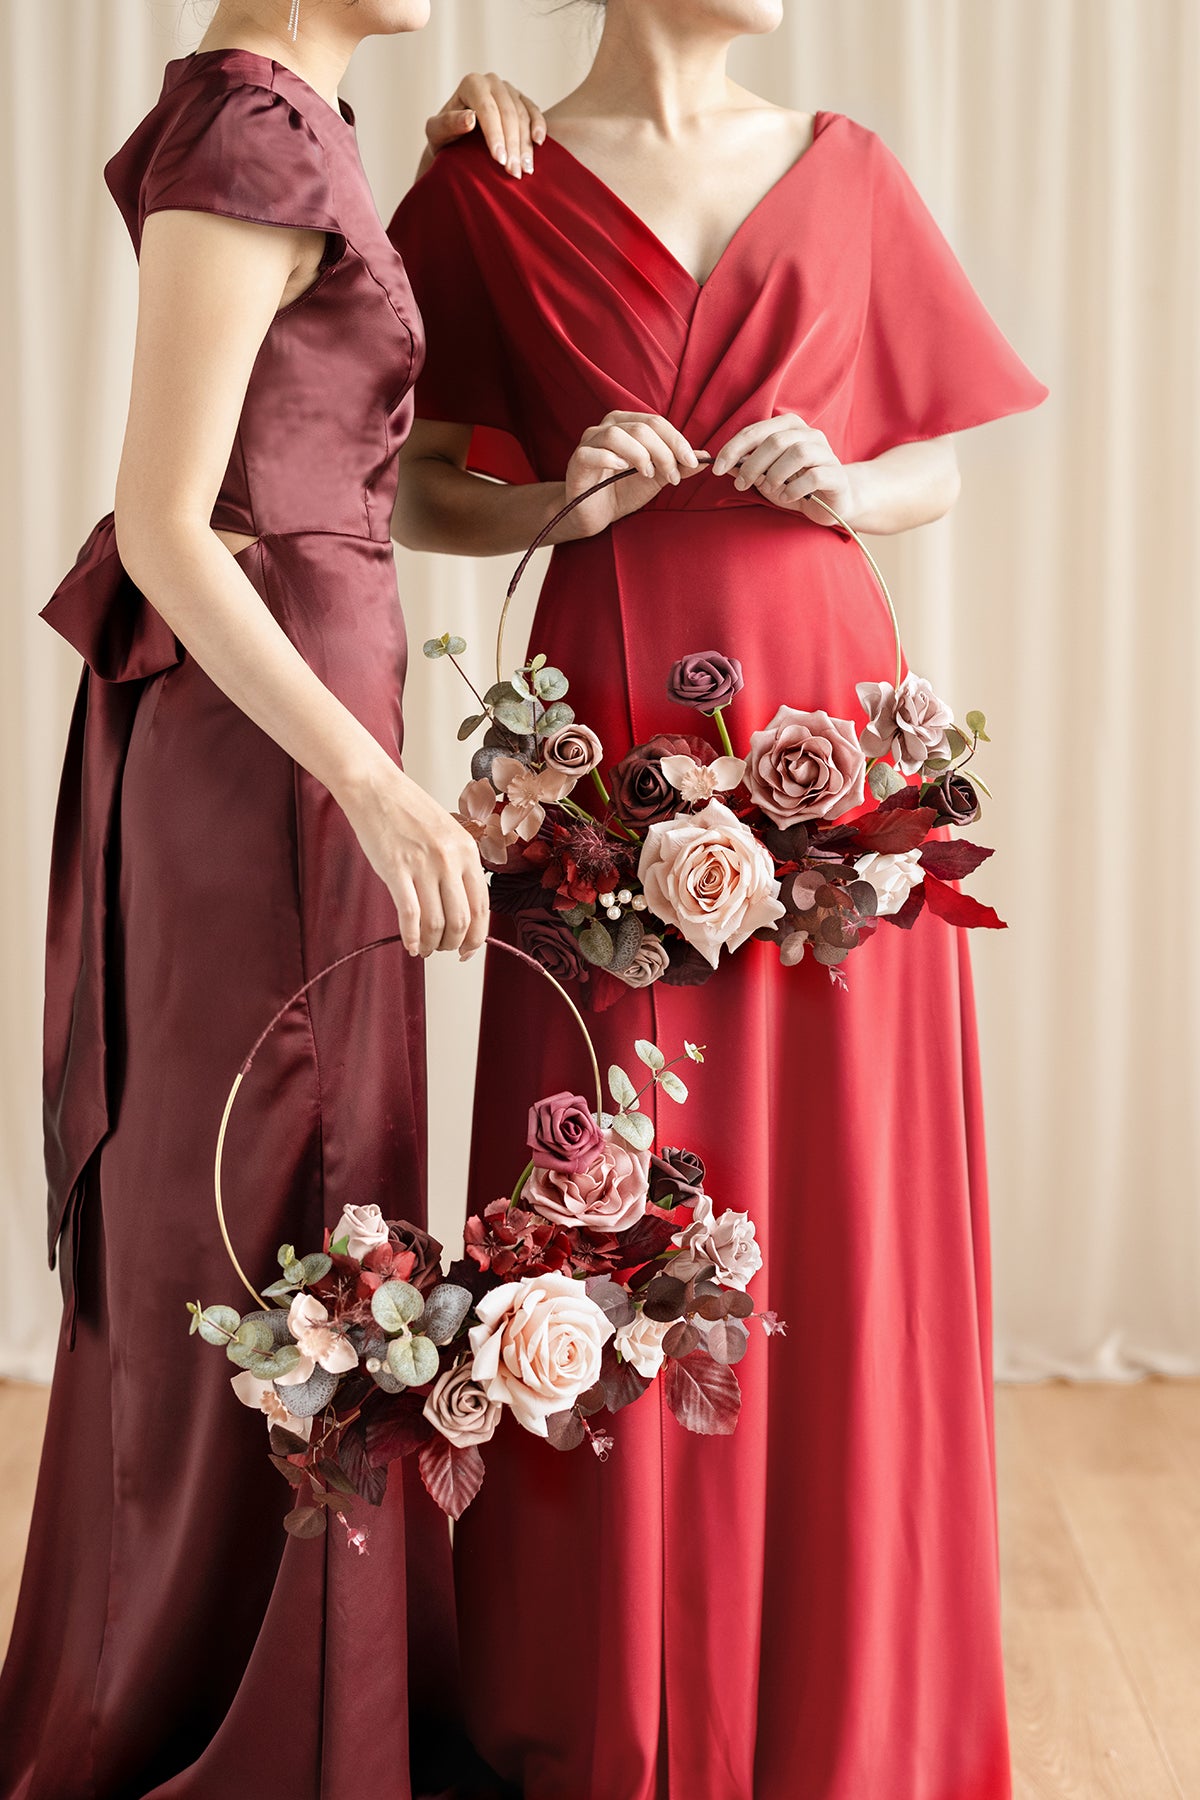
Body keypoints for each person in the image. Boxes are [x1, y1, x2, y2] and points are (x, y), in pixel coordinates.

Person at [389, 2, 1048, 1795]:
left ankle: (849, 1701)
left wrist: (854, 483)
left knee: (837, 1198)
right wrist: (563, 507)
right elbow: (412, 486)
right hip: (604, 744)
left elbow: (944, 460)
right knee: (610, 1199)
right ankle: (602, 1699)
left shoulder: (843, 169)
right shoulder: (490, 177)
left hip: (829, 742)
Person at [0, 5, 540, 1795]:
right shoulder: (253, 128)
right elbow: (170, 521)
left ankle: (328, 1705)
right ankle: (216, 1719)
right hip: (270, 756)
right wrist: (373, 784)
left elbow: (332, 461)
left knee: (311, 1203)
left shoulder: (302, 117)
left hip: (299, 721)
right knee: (253, 1198)